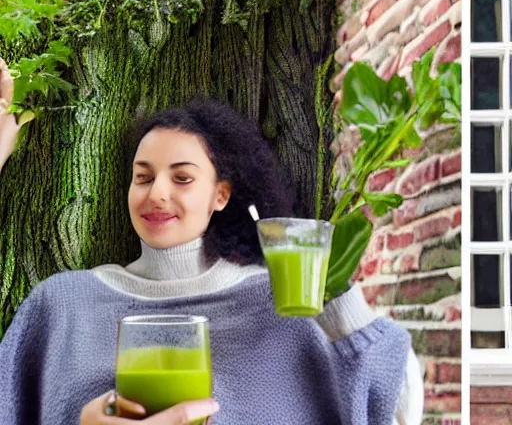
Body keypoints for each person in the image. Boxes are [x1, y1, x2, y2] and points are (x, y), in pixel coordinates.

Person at [0, 59, 424, 425]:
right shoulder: (62, 305)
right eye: (143, 177)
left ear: (220, 195)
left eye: (182, 177)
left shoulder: (282, 304)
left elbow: (399, 409)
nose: (156, 194)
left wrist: (336, 297)